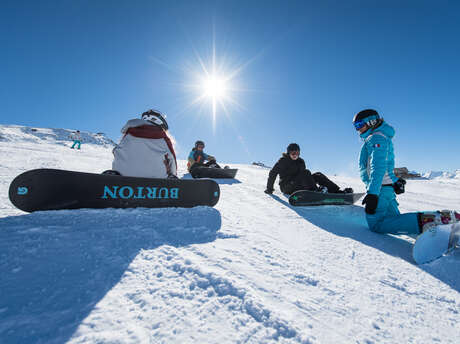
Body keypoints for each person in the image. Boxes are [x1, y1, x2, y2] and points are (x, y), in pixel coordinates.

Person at [353, 109, 460, 234]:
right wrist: (394, 181)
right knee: (396, 220)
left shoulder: (376, 138)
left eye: (359, 125)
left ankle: (432, 220)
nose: (357, 129)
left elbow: (378, 167)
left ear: (371, 122)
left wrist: (372, 193)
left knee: (376, 224)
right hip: (386, 188)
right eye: (355, 126)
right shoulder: (380, 137)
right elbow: (386, 165)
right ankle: (438, 228)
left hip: (380, 189)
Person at [107, 109, 177, 179]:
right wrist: (173, 175)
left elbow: (116, 151)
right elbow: (172, 159)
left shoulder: (128, 133)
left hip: (123, 175)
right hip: (156, 177)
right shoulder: (163, 137)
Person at [264, 143, 353, 195]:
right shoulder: (283, 161)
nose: (295, 154)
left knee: (317, 175)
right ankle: (316, 192)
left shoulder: (301, 161)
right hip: (286, 186)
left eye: (297, 152)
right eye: (292, 152)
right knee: (305, 173)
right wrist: (269, 189)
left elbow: (306, 178)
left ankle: (337, 192)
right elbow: (273, 173)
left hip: (298, 186)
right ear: (288, 153)